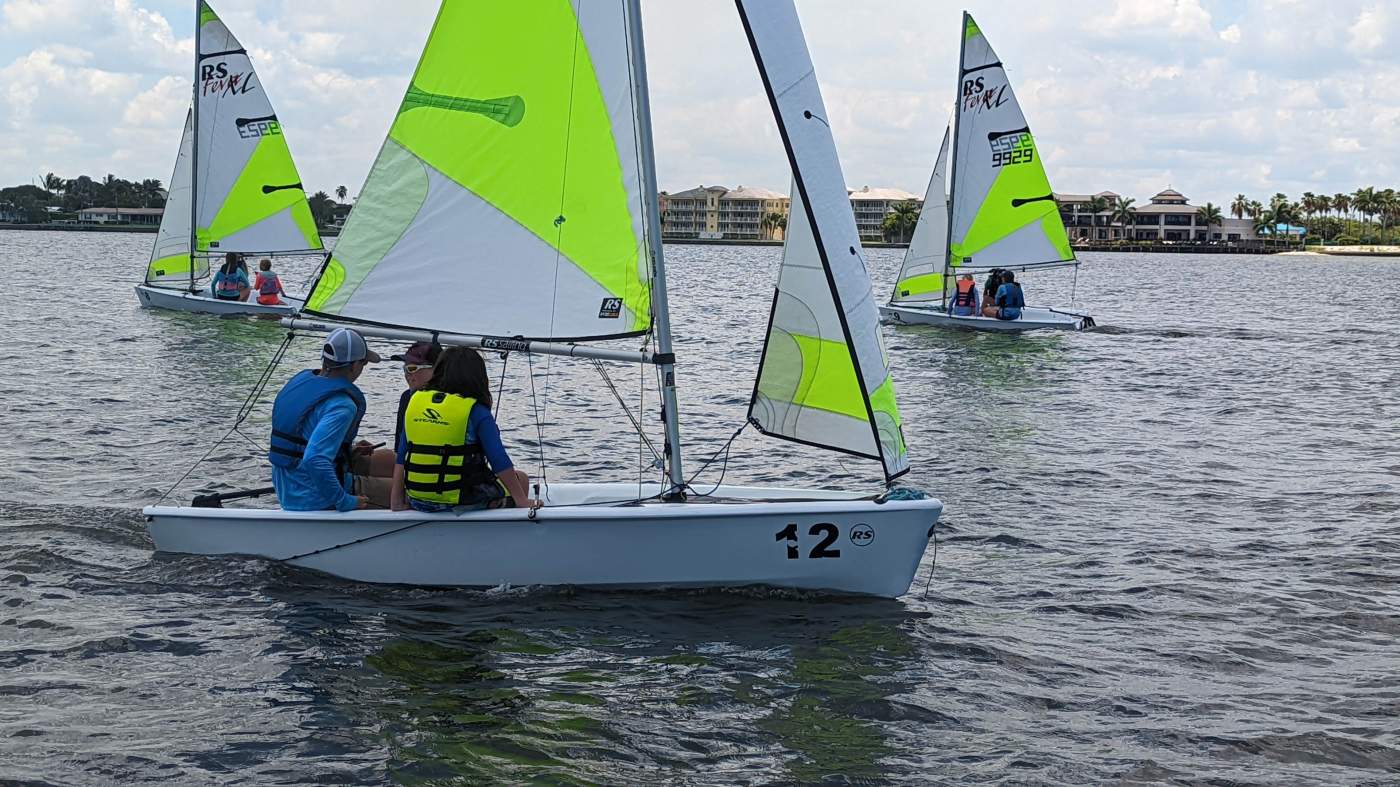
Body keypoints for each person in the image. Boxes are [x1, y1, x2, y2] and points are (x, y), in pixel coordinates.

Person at [390, 346, 540, 512]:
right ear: (477, 377)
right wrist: (521, 500)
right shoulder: (475, 411)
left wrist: (396, 502)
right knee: (522, 479)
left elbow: (401, 457)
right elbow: (498, 459)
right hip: (462, 500)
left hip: (419, 500)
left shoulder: (415, 402)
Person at [268, 327, 381, 512]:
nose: (362, 369)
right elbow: (315, 460)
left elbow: (302, 443)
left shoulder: (301, 382)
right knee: (400, 489)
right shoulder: (342, 405)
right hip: (313, 496)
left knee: (389, 461)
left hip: (287, 488)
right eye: (363, 363)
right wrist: (345, 501)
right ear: (353, 365)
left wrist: (347, 450)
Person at [348, 340, 442, 507]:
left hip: (434, 481)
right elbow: (401, 452)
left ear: (436, 369)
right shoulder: (407, 398)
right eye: (405, 369)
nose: (407, 374)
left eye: (413, 369)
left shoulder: (453, 404)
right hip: (411, 469)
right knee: (376, 457)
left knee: (354, 485)